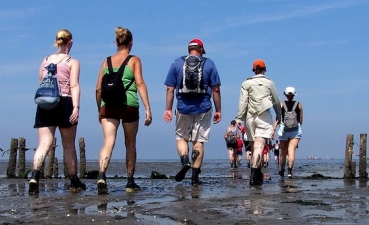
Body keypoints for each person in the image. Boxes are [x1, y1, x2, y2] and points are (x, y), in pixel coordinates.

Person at [95, 27, 153, 194]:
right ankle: (129, 182)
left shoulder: (106, 61)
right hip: (129, 105)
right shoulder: (134, 60)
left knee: (108, 141)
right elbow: (140, 83)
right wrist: (148, 108)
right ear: (131, 43)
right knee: (130, 143)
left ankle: (102, 176)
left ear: (117, 42)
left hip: (109, 106)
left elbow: (98, 89)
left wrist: (100, 108)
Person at [27, 29, 85, 194]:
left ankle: (34, 176)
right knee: (68, 145)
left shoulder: (45, 60)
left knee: (44, 143)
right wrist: (76, 107)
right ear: (70, 42)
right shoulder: (72, 61)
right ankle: (74, 180)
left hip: (45, 103)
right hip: (65, 101)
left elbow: (41, 81)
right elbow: (74, 85)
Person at [163, 38, 222, 185]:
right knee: (198, 142)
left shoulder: (177, 63)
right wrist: (218, 110)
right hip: (203, 107)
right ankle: (195, 179)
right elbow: (216, 89)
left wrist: (168, 109)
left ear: (189, 49)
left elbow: (170, 88)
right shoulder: (209, 63)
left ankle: (184, 161)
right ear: (201, 49)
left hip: (183, 107)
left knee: (181, 137)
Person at [235, 59, 281, 186]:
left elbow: (243, 102)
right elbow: (276, 101)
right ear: (264, 69)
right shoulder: (269, 83)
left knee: (253, 147)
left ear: (254, 70)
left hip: (250, 117)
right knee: (259, 147)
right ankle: (255, 175)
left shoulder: (246, 83)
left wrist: (239, 118)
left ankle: (256, 173)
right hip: (264, 115)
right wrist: (278, 115)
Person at [278, 86, 304, 178]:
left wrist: (274, 128)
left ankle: (281, 170)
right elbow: (300, 120)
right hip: (295, 130)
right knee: (292, 150)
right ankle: (289, 171)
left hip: (284, 130)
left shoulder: (281, 104)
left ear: (285, 94)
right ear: (294, 95)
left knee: (283, 151)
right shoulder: (299, 104)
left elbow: (278, 118)